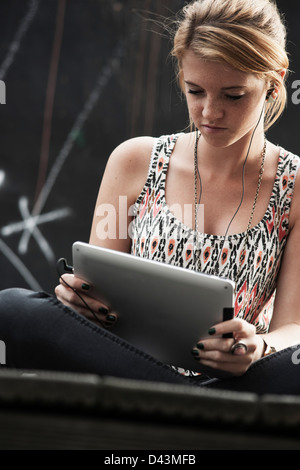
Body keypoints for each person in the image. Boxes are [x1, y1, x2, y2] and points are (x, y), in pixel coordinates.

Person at [1, 0, 300, 394]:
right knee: (13, 308)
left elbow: (291, 328)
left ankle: (188, 408)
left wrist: (258, 346)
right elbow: (96, 294)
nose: (209, 112)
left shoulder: (294, 185)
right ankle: (198, 413)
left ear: (275, 82)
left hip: (240, 380)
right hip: (126, 363)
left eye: (233, 95)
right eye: (195, 91)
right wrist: (80, 303)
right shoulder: (135, 161)